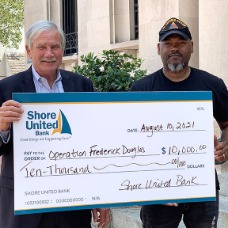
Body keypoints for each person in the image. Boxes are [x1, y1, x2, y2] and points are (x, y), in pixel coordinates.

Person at [0, 20, 110, 228]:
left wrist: (99, 196)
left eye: (55, 46)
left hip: (73, 200)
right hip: (24, 204)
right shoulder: (7, 88)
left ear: (62, 49)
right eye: (42, 47)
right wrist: (2, 127)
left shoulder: (82, 85)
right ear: (28, 50)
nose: (49, 53)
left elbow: (94, 143)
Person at [130, 17, 228, 228]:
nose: (174, 48)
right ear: (159, 48)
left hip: (202, 186)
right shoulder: (141, 89)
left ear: (191, 46)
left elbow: (227, 125)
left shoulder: (212, 84)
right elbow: (129, 139)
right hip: (157, 189)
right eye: (168, 43)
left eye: (181, 42)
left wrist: (223, 148)